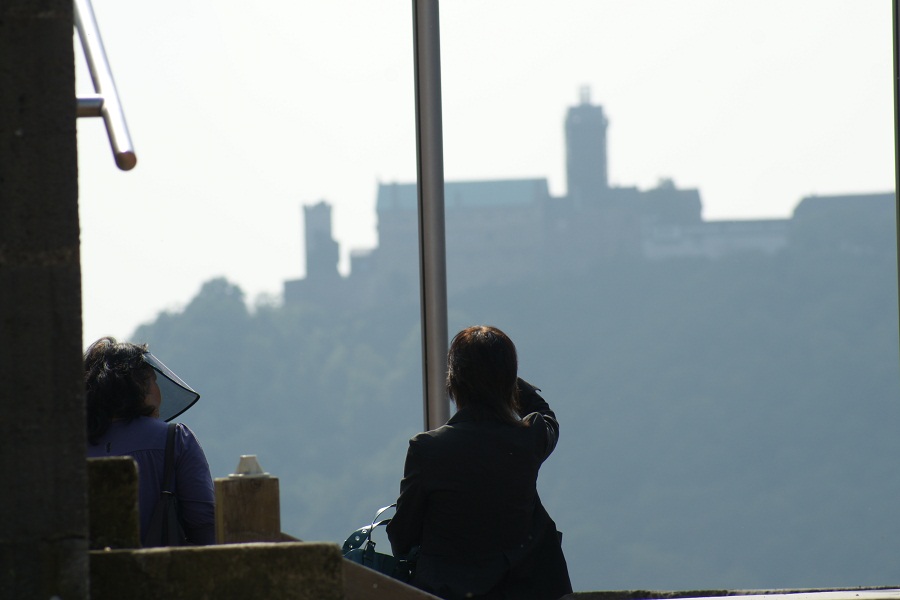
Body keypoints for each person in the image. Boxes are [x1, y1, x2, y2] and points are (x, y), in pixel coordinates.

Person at [387, 325, 572, 600]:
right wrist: (508, 380)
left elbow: (402, 538)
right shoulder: (528, 440)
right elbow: (546, 416)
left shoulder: (428, 450)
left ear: (454, 382)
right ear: (509, 381)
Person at [84, 336, 216, 546]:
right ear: (138, 385)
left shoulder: (65, 451)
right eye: (154, 380)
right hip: (161, 574)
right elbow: (205, 525)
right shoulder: (176, 440)